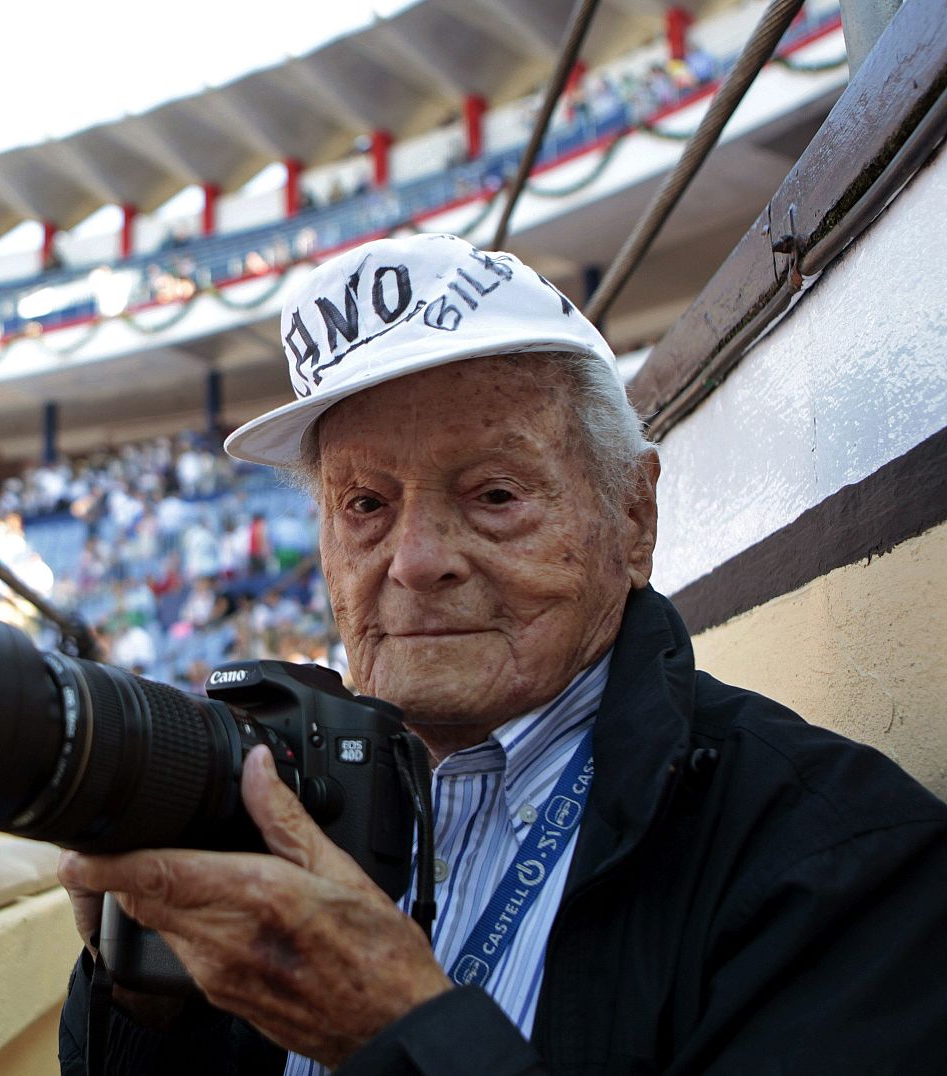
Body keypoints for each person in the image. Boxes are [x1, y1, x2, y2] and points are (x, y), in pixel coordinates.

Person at [56, 234, 947, 1073]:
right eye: (364, 505)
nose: (414, 561)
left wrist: (395, 1038)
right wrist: (146, 1007)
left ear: (632, 519)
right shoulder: (290, 793)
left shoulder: (836, 861)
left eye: (493, 492)